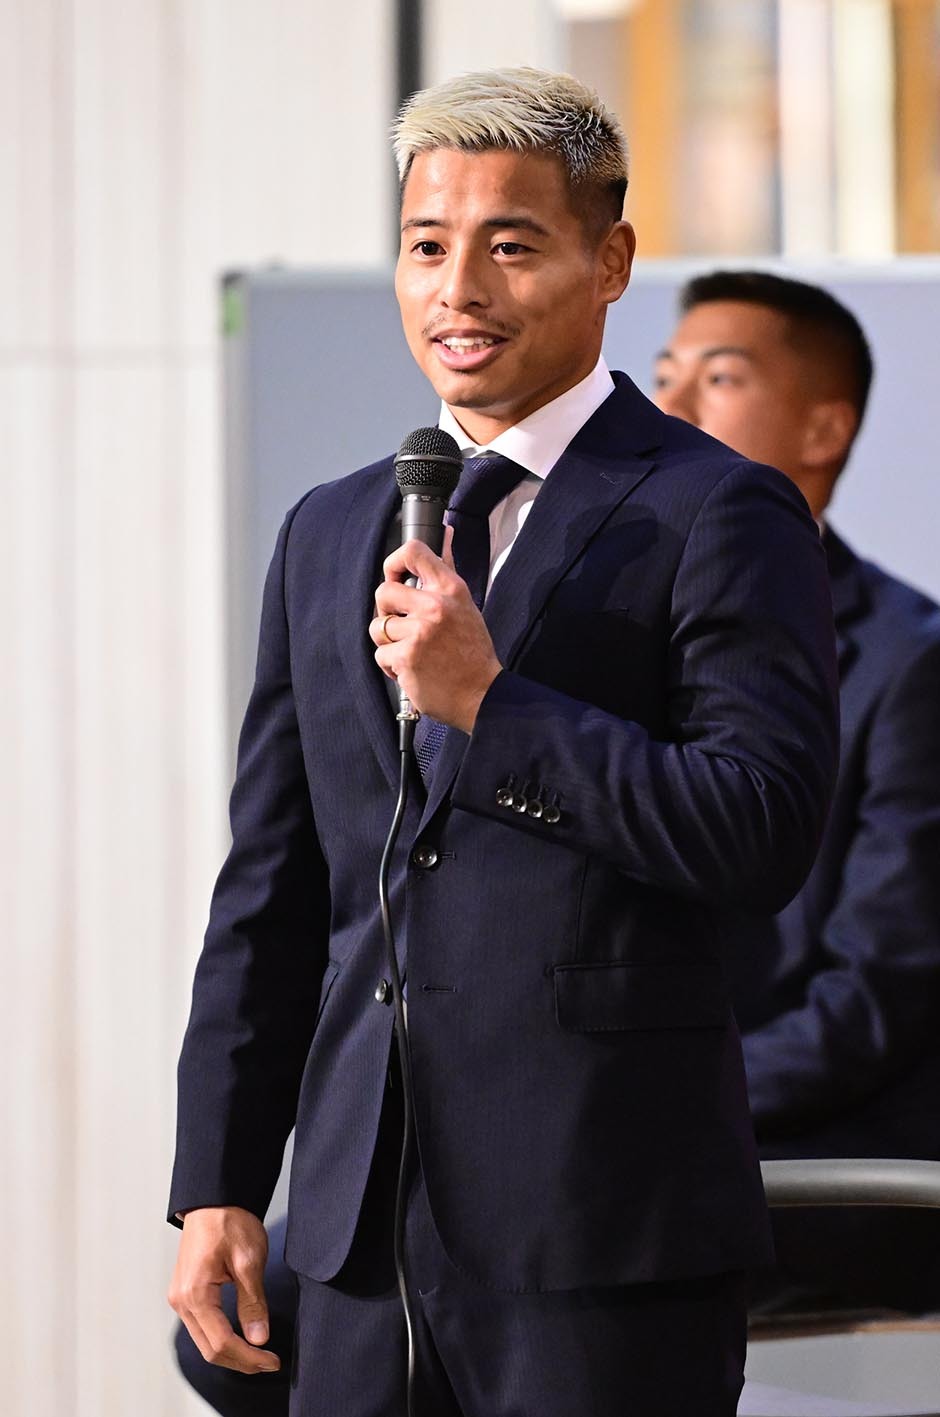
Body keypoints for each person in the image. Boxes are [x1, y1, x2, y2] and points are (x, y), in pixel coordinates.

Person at [168, 71, 839, 1416]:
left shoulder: (718, 510)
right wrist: (219, 1181)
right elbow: (274, 889)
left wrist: (493, 706)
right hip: (356, 1232)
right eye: (426, 246)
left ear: (611, 264)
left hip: (601, 1229)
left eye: (511, 246)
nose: (458, 289)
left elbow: (757, 829)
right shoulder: (329, 528)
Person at [654, 269, 940, 1312]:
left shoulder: (908, 663)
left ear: (824, 430)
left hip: (812, 1153)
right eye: (663, 375)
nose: (670, 406)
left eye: (720, 379)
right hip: (619, 1133)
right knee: (277, 1297)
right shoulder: (603, 636)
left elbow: (876, 995)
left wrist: (651, 1100)